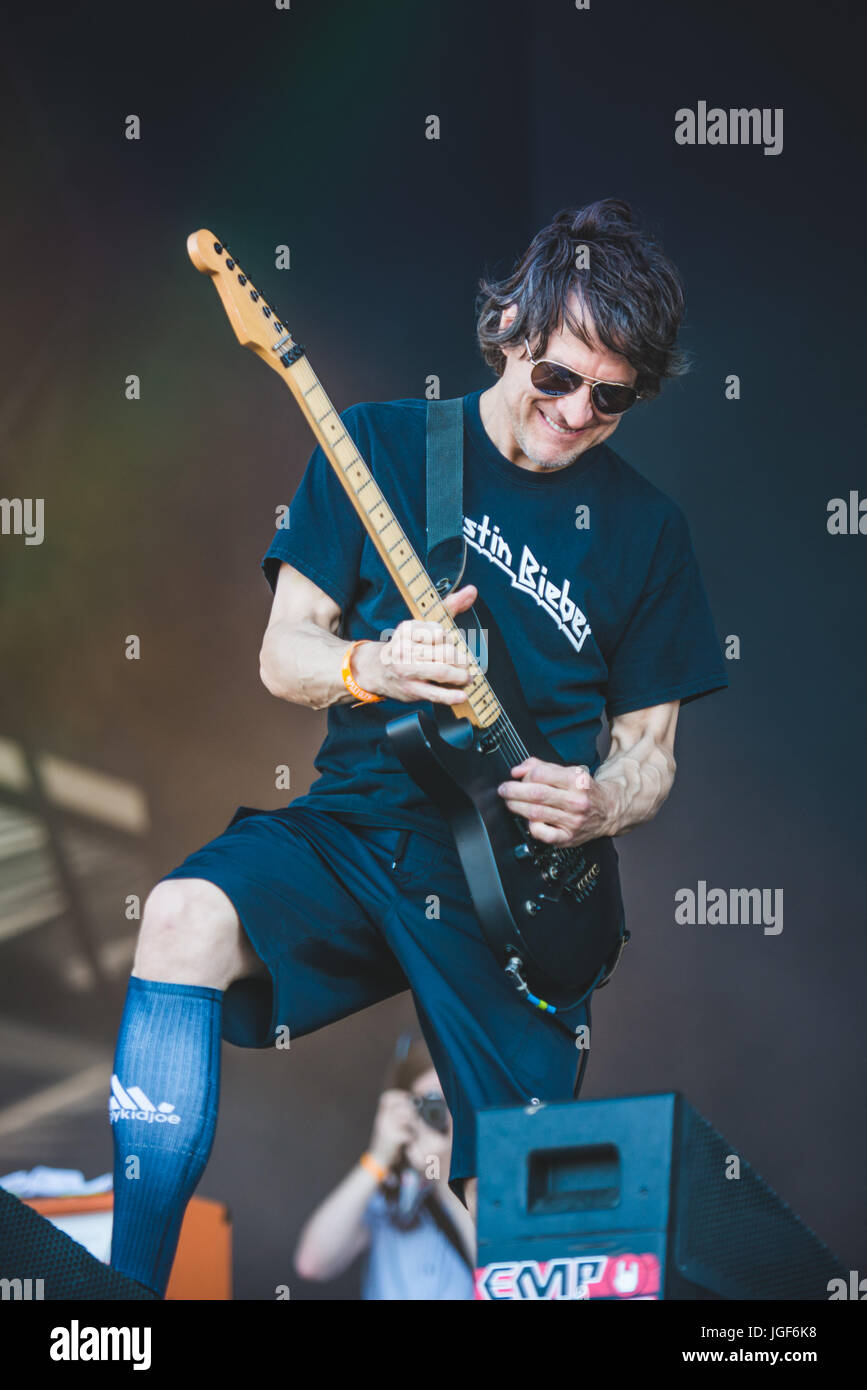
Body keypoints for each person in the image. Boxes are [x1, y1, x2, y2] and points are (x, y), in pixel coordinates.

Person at [107, 197, 728, 1298]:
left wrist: (598, 800)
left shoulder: (649, 533)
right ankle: (126, 1310)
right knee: (181, 916)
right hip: (362, 824)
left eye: (611, 398)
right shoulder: (383, 448)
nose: (578, 412)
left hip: (519, 888)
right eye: (558, 377)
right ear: (510, 332)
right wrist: (375, 667)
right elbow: (283, 653)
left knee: (524, 1216)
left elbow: (653, 754)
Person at [293, 1037, 475, 1300]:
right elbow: (312, 1263)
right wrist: (378, 1158)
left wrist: (447, 1180)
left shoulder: (490, 1183)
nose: (440, 1115)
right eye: (430, 1101)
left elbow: (501, 1273)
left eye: (451, 1100)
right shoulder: (388, 1188)